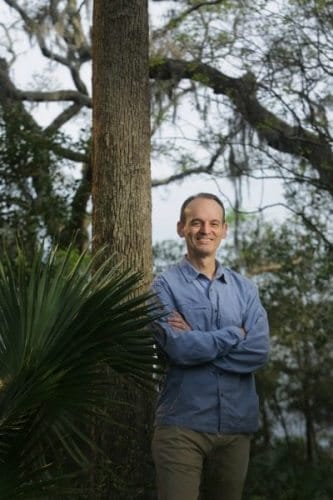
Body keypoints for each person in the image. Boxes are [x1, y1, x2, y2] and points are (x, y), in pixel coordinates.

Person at [151, 193, 269, 500]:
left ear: (224, 230)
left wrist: (197, 340)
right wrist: (233, 334)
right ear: (181, 228)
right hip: (182, 427)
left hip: (235, 429)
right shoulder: (163, 286)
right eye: (197, 223)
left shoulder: (245, 290)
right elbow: (177, 348)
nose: (206, 230)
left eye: (214, 223)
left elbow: (258, 350)